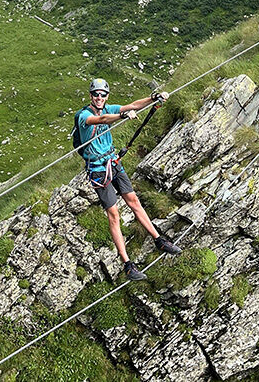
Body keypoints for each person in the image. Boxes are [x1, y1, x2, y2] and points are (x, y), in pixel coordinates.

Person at [75, 78, 182, 280]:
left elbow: (133, 105)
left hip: (113, 163)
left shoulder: (110, 107)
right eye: (96, 94)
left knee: (133, 201)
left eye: (103, 94)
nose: (99, 97)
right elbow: (102, 120)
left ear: (107, 96)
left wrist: (153, 98)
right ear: (90, 95)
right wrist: (122, 115)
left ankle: (159, 240)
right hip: (98, 171)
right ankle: (127, 264)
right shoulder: (84, 116)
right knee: (114, 214)